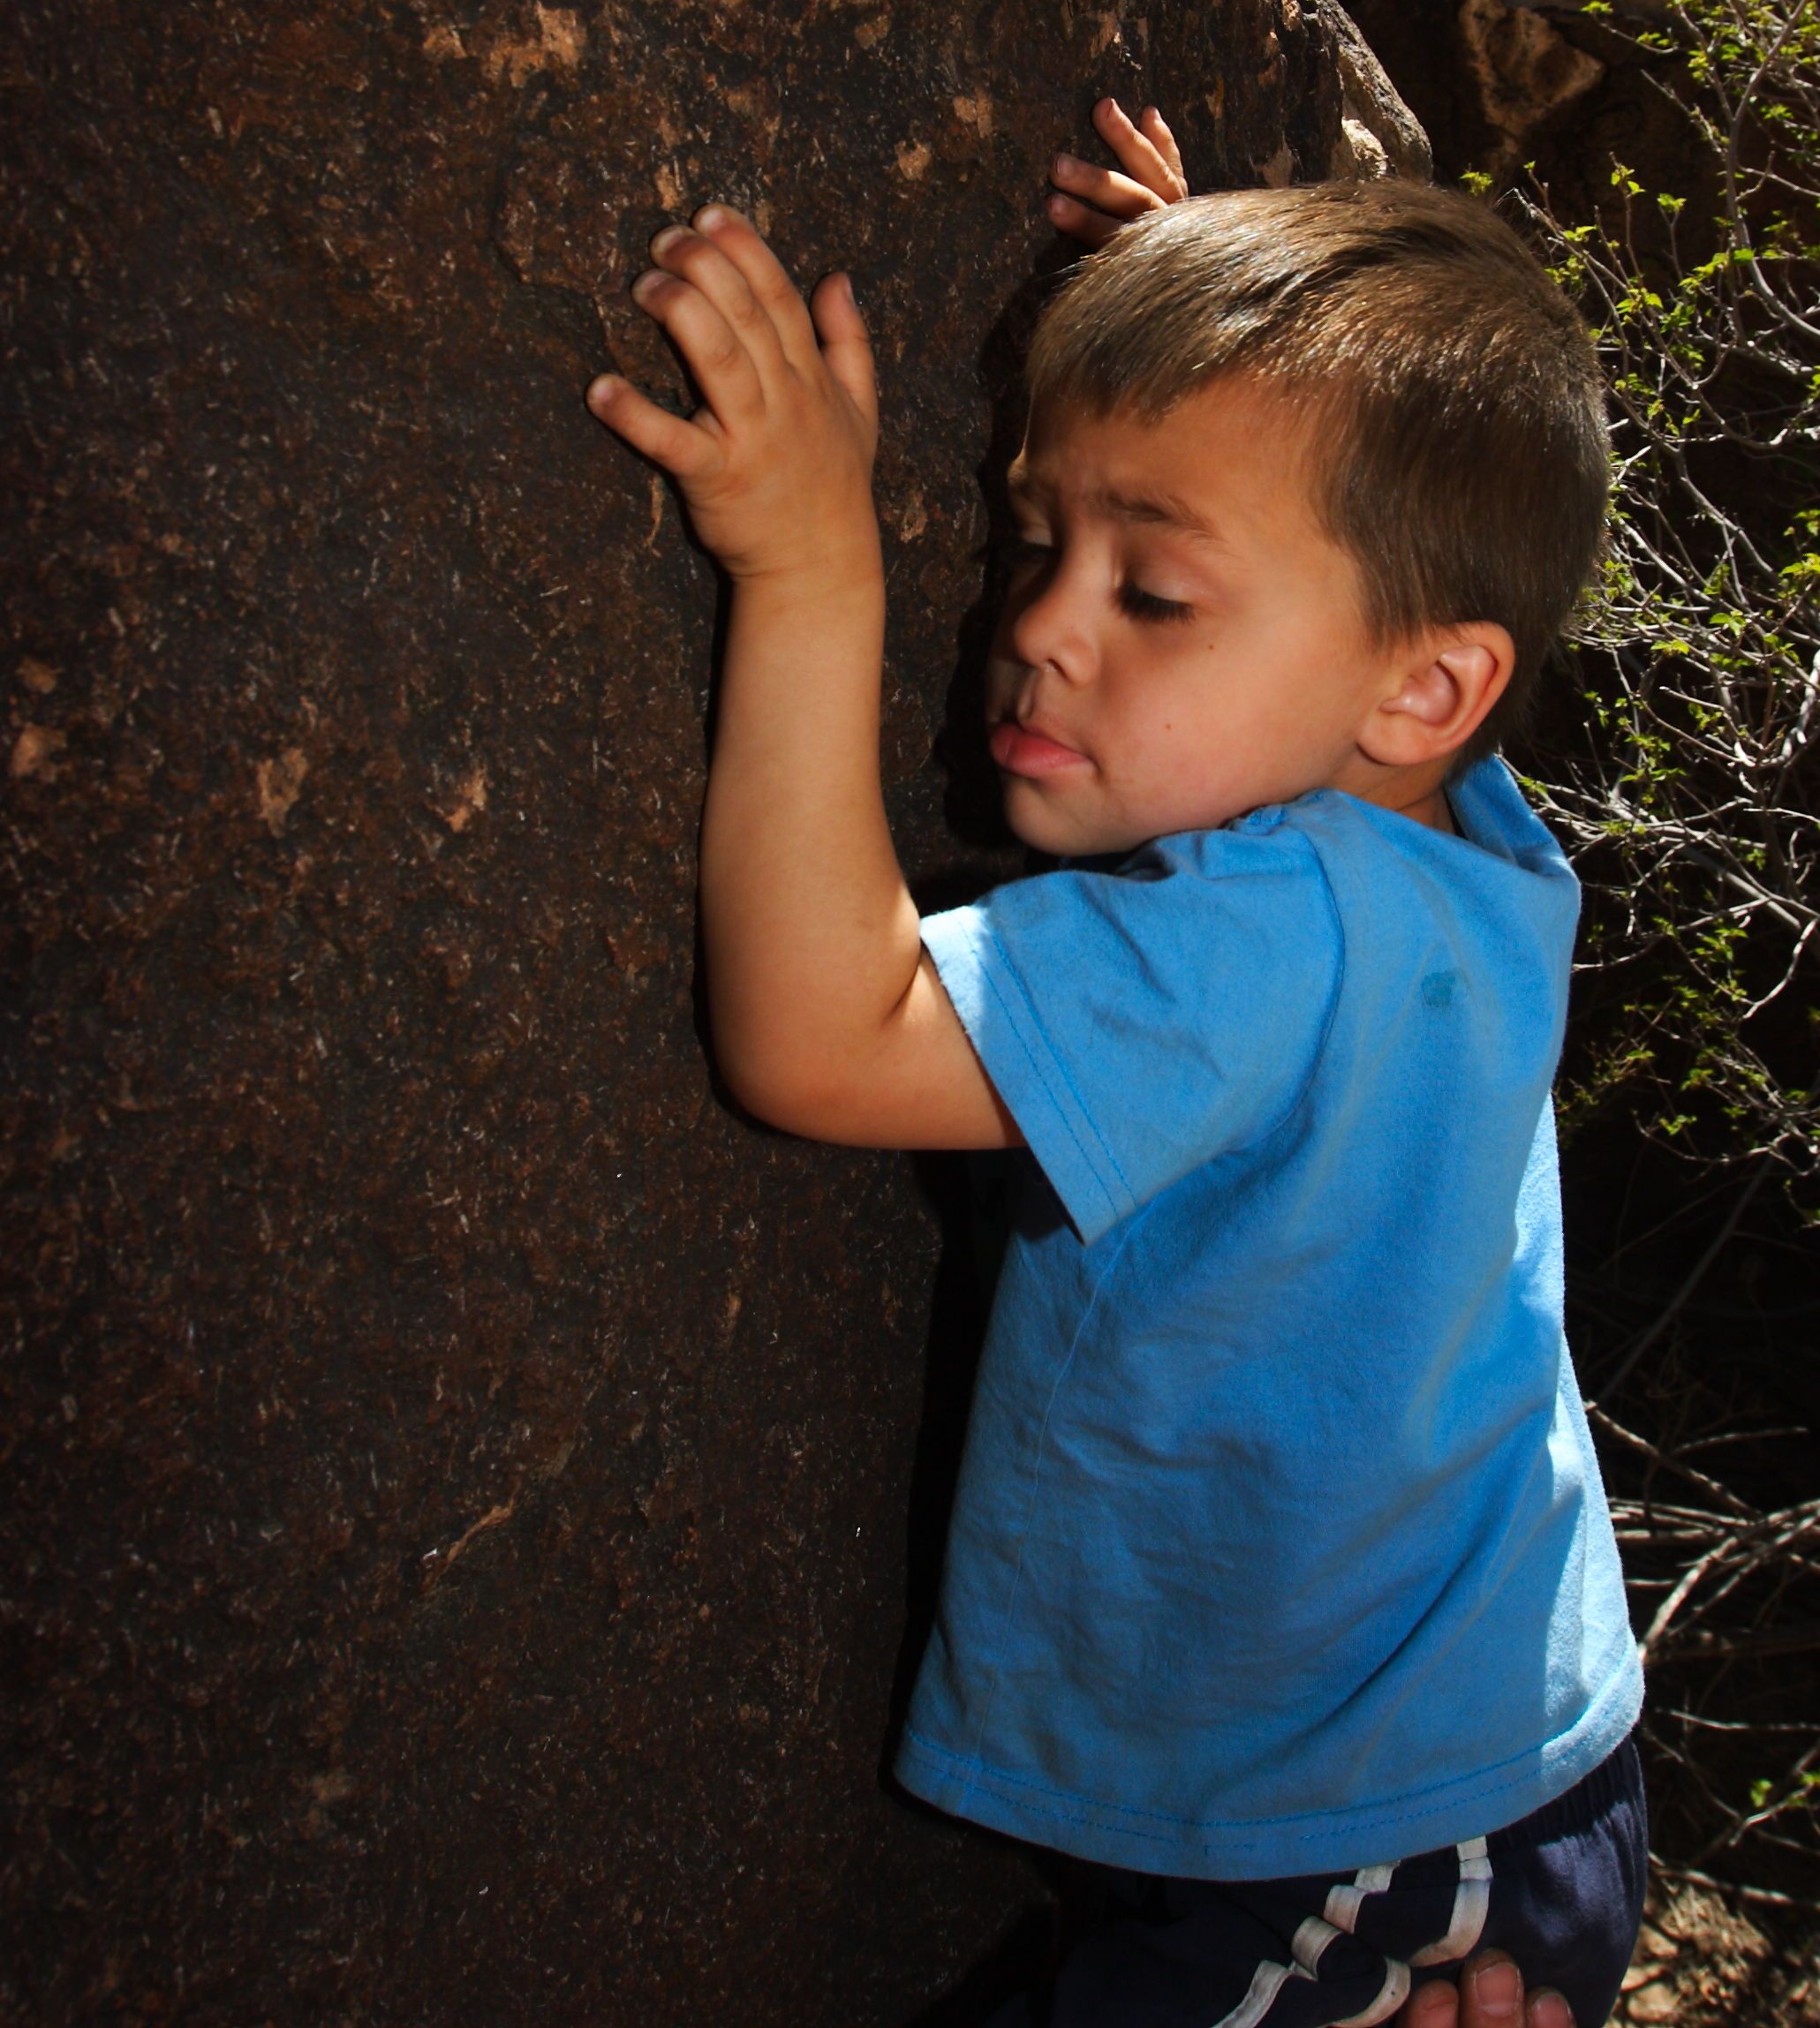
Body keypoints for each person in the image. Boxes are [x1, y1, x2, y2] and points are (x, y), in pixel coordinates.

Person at [585, 98, 1646, 2028]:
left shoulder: (1260, 937)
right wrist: (1199, 323)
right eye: (1032, 538)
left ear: (1424, 685)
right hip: (1477, 1753)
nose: (1037, 628)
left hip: (1346, 1846)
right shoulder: (1447, 817)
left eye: (1152, 591)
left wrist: (811, 565)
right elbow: (1348, 578)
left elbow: (826, 1039)